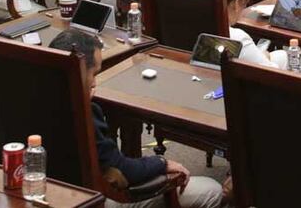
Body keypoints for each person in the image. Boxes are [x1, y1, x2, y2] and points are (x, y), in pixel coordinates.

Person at [47, 29, 223, 208]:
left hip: (47, 194)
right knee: (211, 190)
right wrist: (161, 163)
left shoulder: (31, 101)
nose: (94, 82)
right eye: (93, 73)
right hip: (95, 200)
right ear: (80, 73)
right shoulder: (85, 113)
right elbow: (120, 170)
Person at [209, 0, 287, 70]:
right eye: (244, 5)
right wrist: (264, 57)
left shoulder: (195, 25)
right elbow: (273, 72)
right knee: (285, 59)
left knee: (281, 55)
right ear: (237, 4)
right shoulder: (238, 38)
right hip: (229, 80)